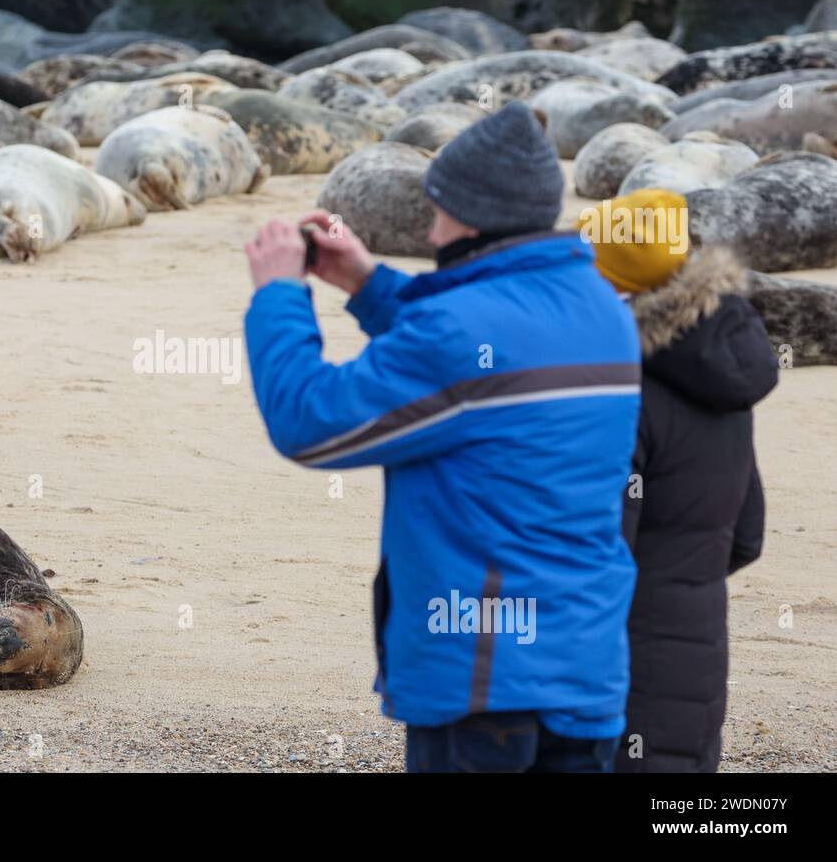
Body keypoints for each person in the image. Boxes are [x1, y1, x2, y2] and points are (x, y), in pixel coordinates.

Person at [242, 101, 642, 773]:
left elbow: (311, 424)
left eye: (438, 209)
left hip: (482, 684)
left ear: (473, 217)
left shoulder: (458, 329)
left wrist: (278, 294)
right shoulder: (602, 308)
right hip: (586, 672)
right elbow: (488, 357)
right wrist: (368, 285)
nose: (430, 228)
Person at [579, 190, 778, 773]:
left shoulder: (621, 391)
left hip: (611, 665)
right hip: (695, 659)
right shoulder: (721, 378)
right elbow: (747, 536)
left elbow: (598, 550)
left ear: (616, 284)